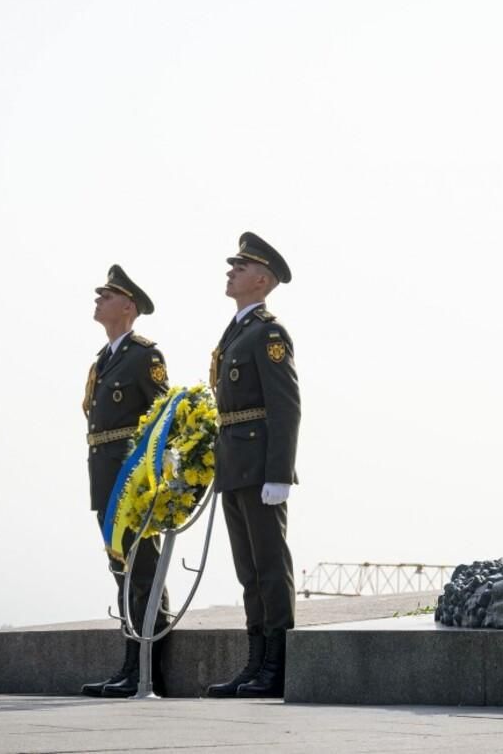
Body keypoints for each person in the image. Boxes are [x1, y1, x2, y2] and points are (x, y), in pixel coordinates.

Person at [206, 232, 301, 699]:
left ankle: (277, 667)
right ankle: (255, 663)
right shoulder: (236, 331)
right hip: (233, 465)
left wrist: (280, 473)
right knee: (248, 571)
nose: (230, 272)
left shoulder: (268, 332)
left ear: (261, 279)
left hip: (261, 467)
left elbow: (285, 406)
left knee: (268, 567)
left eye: (239, 267)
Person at [80, 265, 172, 698]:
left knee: (143, 572)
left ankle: (149, 669)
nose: (98, 299)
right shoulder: (103, 360)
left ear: (128, 307)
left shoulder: (143, 356)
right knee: (121, 571)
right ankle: (129, 665)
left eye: (107, 295)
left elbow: (162, 418)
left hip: (132, 483)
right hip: (105, 480)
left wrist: (158, 478)